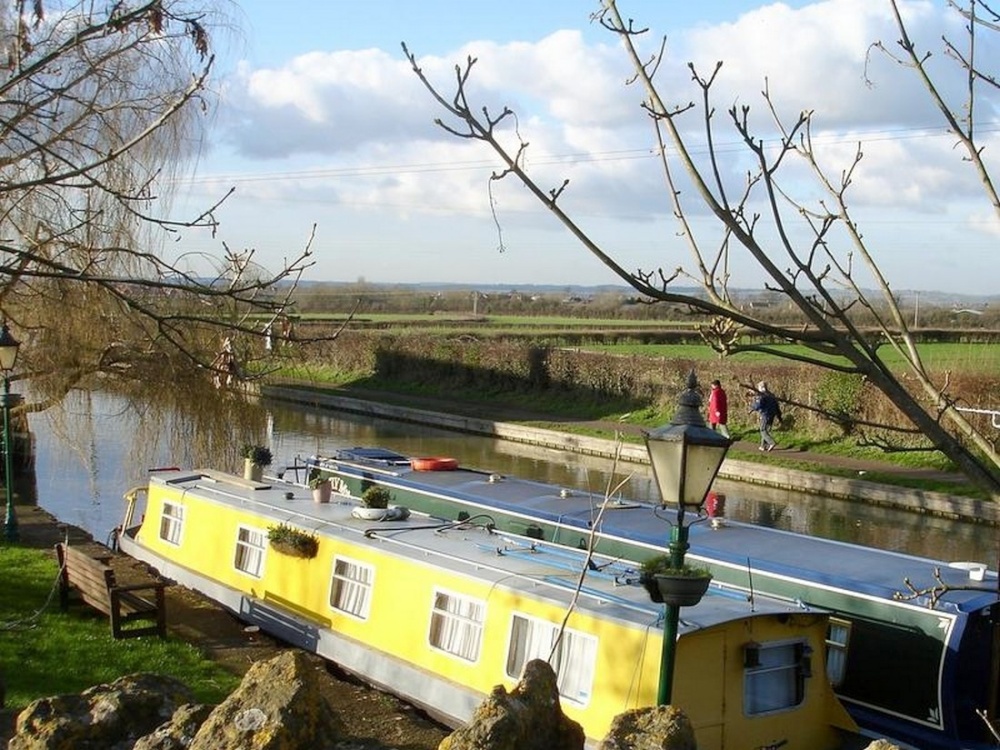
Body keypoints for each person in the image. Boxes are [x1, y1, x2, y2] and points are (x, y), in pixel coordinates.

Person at [749, 381, 782, 451]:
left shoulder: (761, 396)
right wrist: (779, 416)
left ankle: (771, 443)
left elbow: (758, 405)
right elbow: (777, 406)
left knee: (763, 430)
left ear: (761, 388)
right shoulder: (772, 395)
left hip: (765, 415)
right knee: (766, 430)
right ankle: (762, 446)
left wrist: (751, 407)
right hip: (772, 414)